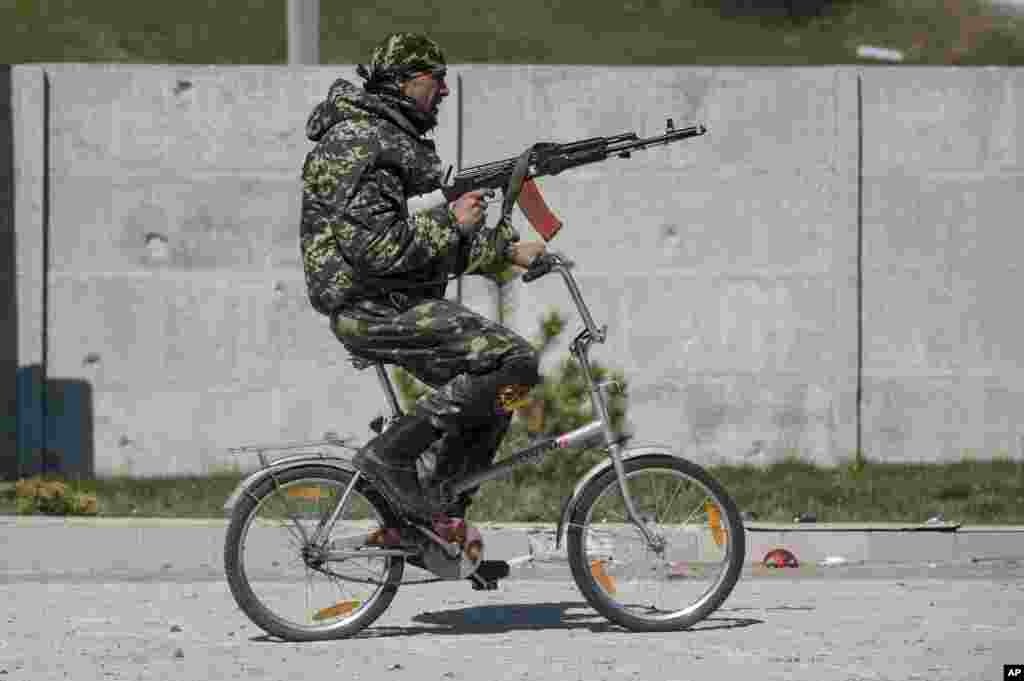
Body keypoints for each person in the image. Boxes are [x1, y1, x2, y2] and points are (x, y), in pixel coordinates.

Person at [299, 32, 547, 521]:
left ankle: (435, 520)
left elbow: (414, 243)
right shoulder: (359, 142)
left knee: (495, 399)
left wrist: (506, 250)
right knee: (514, 363)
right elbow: (376, 249)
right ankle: (390, 456)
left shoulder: (385, 137)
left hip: (388, 299)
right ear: (404, 81)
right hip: (371, 307)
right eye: (437, 78)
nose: (446, 90)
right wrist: (452, 222)